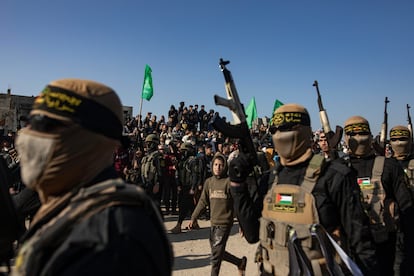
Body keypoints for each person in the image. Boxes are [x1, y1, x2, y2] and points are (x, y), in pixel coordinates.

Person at [12, 79, 173, 275]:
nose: (27, 136)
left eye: (44, 126)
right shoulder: (61, 201)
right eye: (30, 123)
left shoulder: (110, 238)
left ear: (86, 141)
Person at [228, 104, 379, 275]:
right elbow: (252, 234)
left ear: (305, 131)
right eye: (274, 129)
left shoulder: (333, 177)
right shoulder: (270, 179)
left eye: (285, 128)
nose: (279, 134)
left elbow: (361, 245)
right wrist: (237, 184)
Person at [342, 116, 414, 276]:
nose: (358, 138)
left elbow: (406, 211)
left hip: (384, 248)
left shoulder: (388, 166)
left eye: (362, 133)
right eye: (353, 134)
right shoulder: (339, 168)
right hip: (351, 252)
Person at [188, 153, 247, 276]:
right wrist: (193, 217)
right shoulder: (209, 182)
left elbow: (237, 204)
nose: (218, 167)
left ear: (225, 166)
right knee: (217, 252)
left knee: (215, 257)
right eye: (215, 164)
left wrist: (242, 223)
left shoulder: (228, 182)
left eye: (220, 165)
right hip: (213, 223)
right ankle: (239, 262)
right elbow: (203, 201)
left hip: (225, 223)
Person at [170, 142, 202, 233]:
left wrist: (193, 187)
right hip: (183, 186)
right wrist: (179, 184)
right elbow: (178, 173)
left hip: (189, 187)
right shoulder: (182, 161)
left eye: (184, 151)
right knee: (190, 205)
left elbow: (195, 174)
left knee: (184, 206)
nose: (182, 153)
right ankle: (194, 222)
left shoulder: (193, 160)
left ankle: (179, 225)